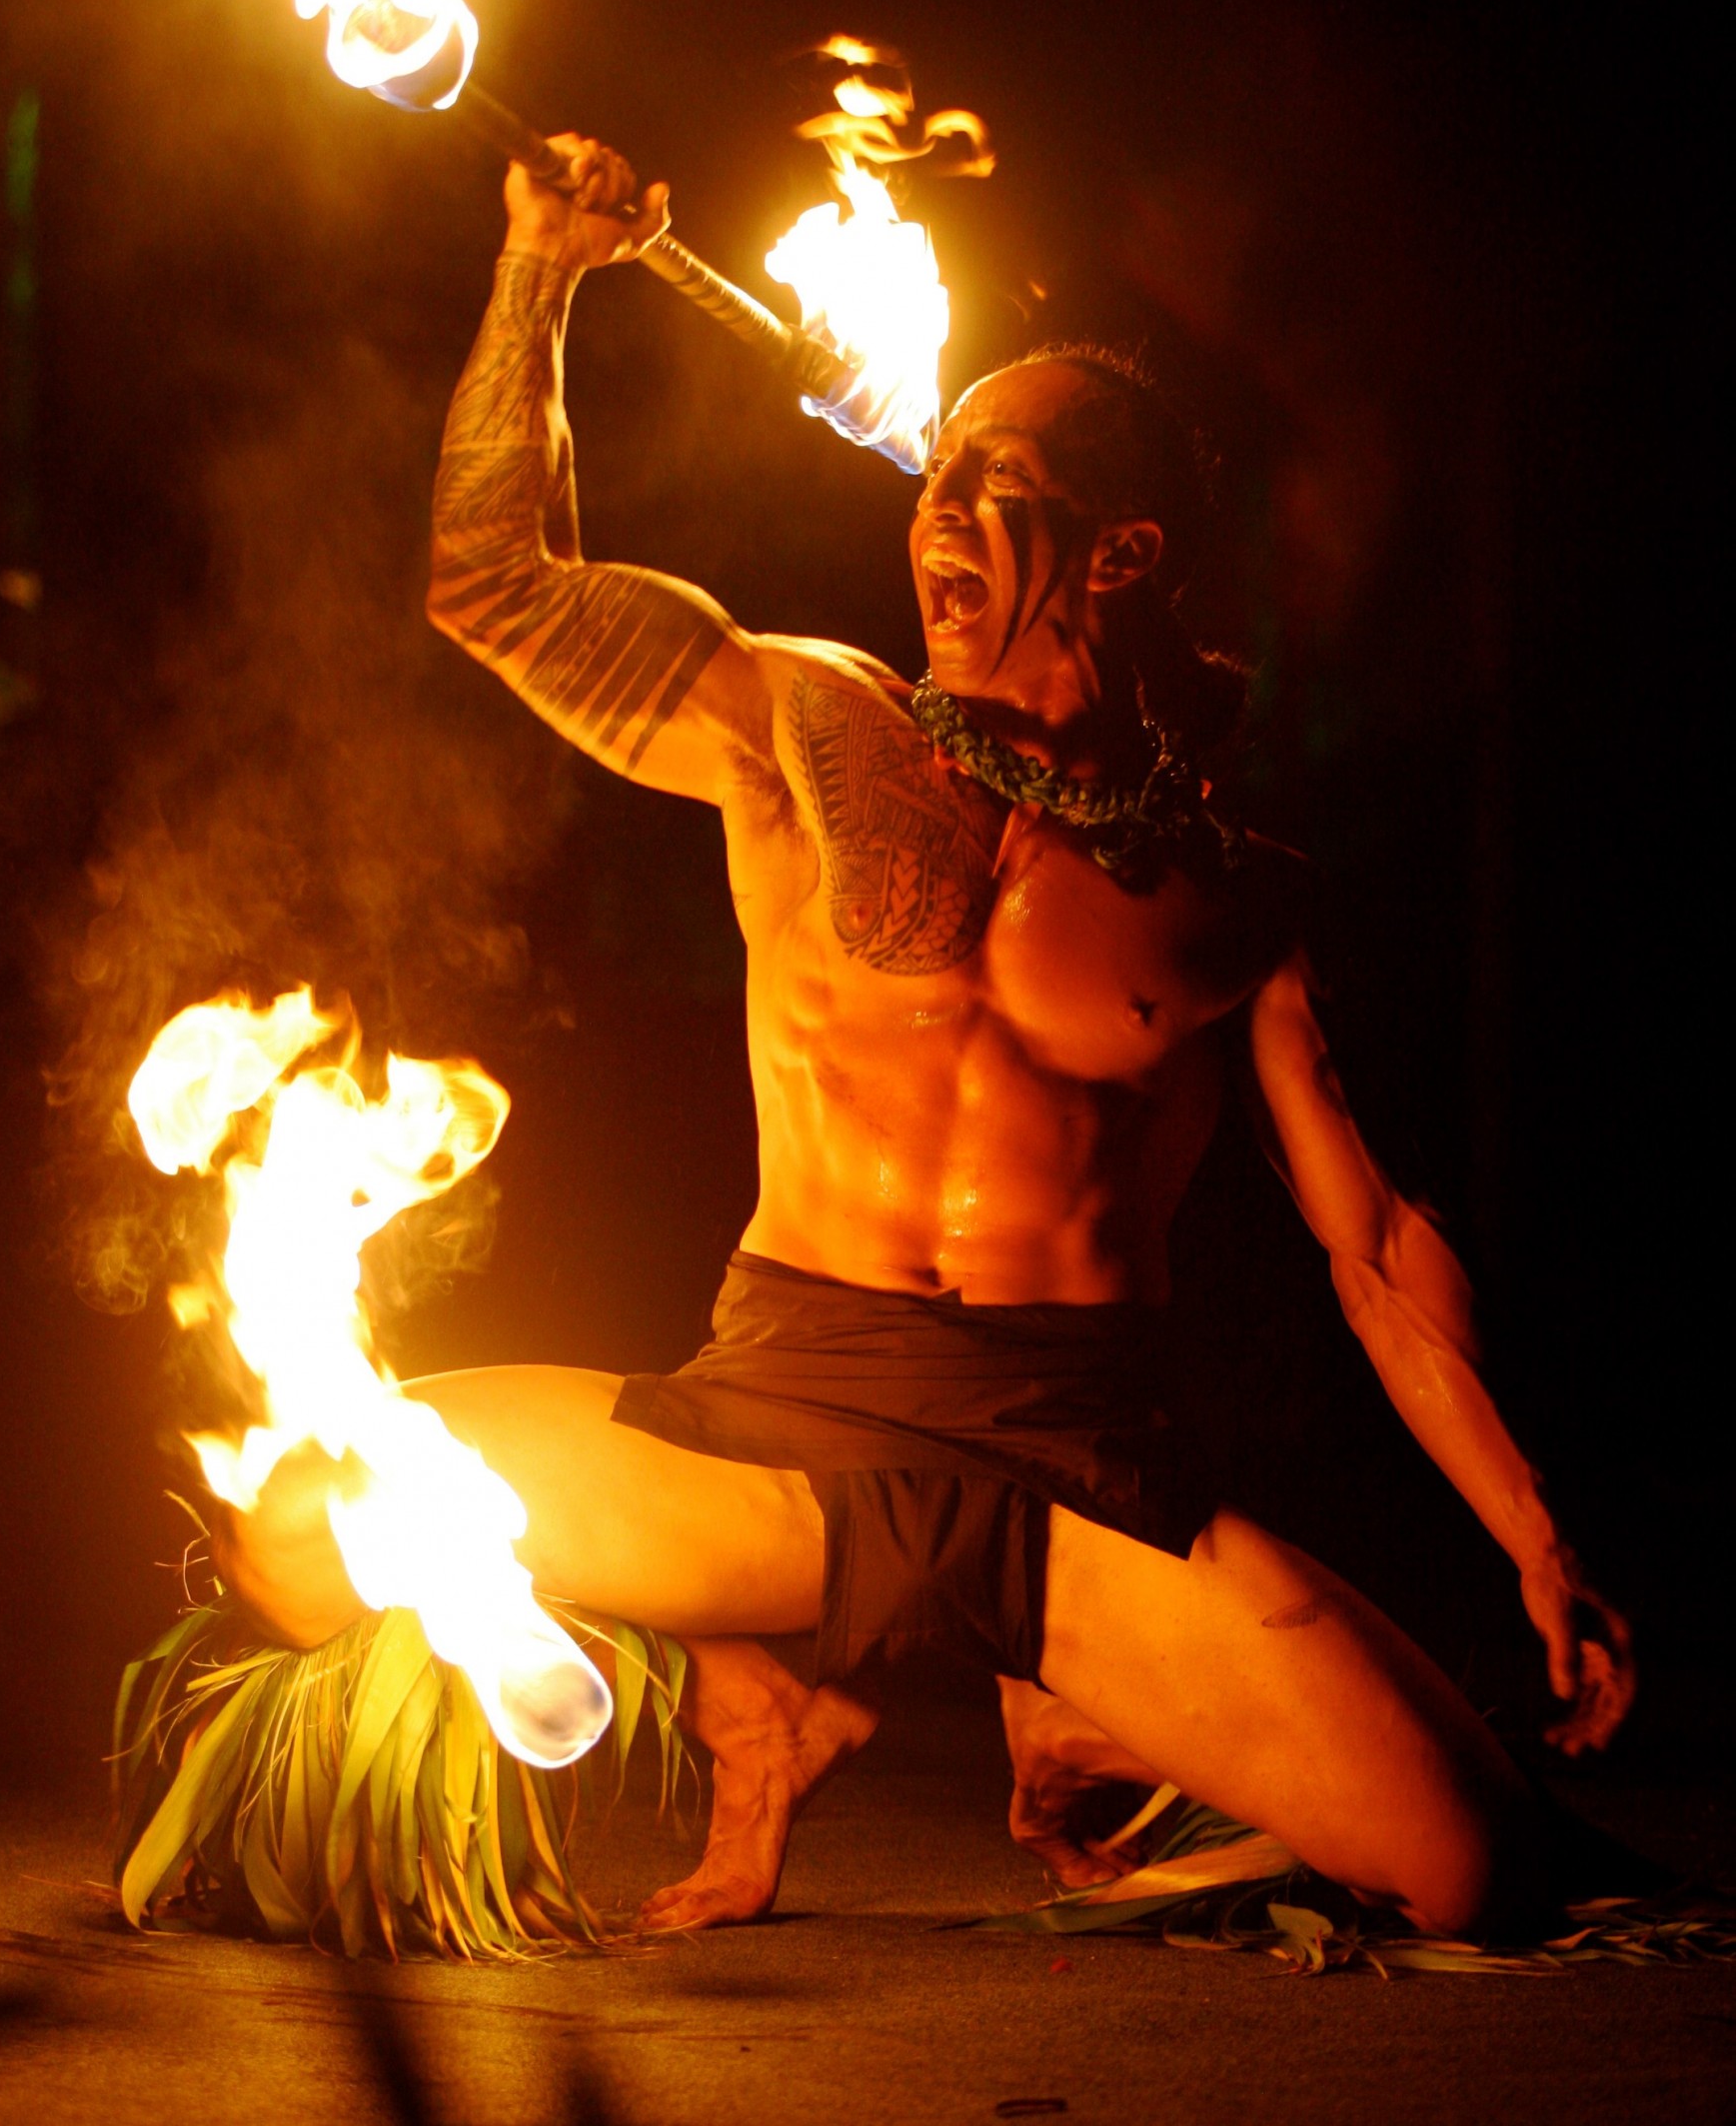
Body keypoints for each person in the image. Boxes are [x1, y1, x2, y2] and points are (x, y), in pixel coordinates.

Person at [217, 133, 1633, 1938]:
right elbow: (491, 582)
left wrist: (1535, 1532)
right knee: (300, 1515)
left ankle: (1052, 1705)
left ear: (1122, 554)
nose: (938, 515)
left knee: (1473, 1869)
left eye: (1000, 484)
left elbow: (1372, 1251)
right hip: (772, 1444)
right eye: (936, 477)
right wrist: (540, 270)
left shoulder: (1233, 889)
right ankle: (782, 1677)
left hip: (1077, 1494)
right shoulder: (804, 721)